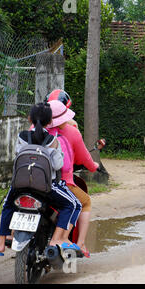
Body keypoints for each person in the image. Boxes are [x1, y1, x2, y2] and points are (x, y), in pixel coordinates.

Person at [0, 102, 82, 256]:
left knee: (7, 205)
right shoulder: (52, 140)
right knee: (73, 204)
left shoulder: (22, 136)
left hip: (20, 186)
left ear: (29, 118)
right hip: (45, 188)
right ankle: (56, 239)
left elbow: (17, 156)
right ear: (50, 122)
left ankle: (2, 241)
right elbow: (58, 165)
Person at [47, 100, 99, 258]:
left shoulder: (35, 129)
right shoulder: (72, 132)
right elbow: (84, 157)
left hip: (32, 180)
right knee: (85, 202)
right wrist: (94, 166)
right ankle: (80, 243)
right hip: (62, 182)